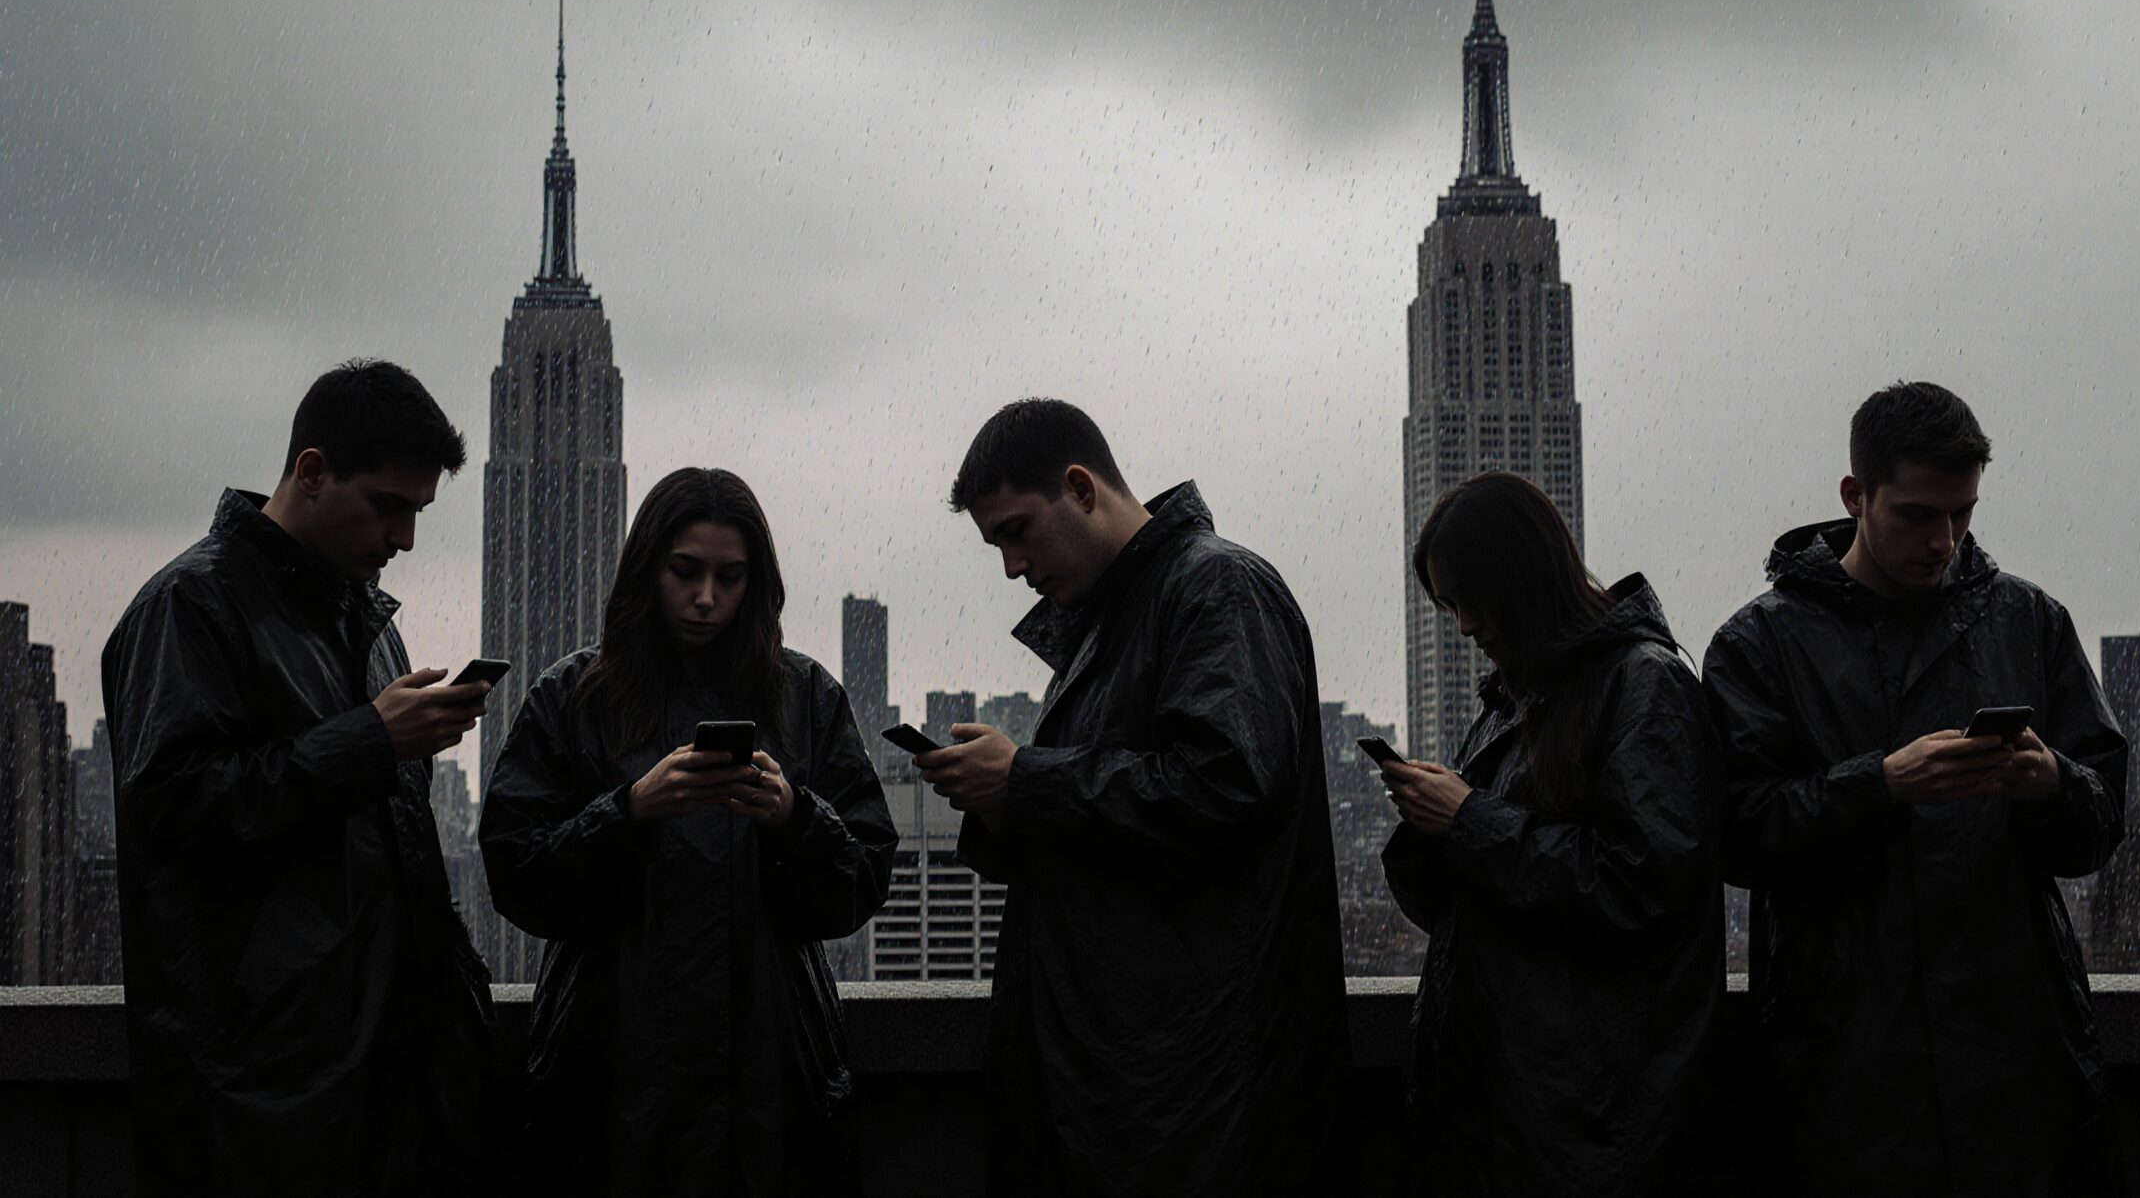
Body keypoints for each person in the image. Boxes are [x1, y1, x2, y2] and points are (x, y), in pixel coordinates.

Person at [1701, 380, 2127, 1196]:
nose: (1945, 540)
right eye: (1919, 515)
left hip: (2015, 1058)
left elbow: (2101, 824)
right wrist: (1883, 785)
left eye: (1963, 513)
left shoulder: (2028, 621)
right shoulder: (1760, 643)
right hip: (1844, 1062)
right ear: (1855, 496)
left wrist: (2050, 783)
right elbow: (1733, 832)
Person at [919, 399, 1347, 1196]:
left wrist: (1028, 777)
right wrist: (1002, 801)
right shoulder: (1113, 621)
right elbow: (1119, 833)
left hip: (1187, 1101)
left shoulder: (1218, 586)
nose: (1012, 567)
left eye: (1015, 530)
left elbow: (1228, 786)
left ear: (1080, 487)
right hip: (1131, 1088)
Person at [100, 358, 497, 1197]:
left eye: (419, 512)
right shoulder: (188, 607)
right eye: (388, 506)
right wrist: (370, 740)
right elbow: (174, 810)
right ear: (311, 472)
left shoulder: (367, 624)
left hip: (388, 1097)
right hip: (263, 1111)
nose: (406, 539)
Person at [479, 467, 896, 1195]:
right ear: (649, 570)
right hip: (610, 1076)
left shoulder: (807, 698)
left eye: (730, 577)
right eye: (686, 572)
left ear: (757, 582)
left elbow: (861, 884)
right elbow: (516, 877)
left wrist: (794, 816)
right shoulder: (573, 698)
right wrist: (630, 809)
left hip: (771, 1080)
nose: (707, 598)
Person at [1380, 472, 1723, 1196]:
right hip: (1505, 1112)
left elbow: (1640, 887)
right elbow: (1471, 904)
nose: (1466, 624)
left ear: (1524, 577)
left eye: (1471, 599)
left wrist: (1469, 817)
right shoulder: (1516, 702)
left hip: (1582, 1125)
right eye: (1449, 607)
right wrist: (1432, 825)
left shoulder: (1645, 685)